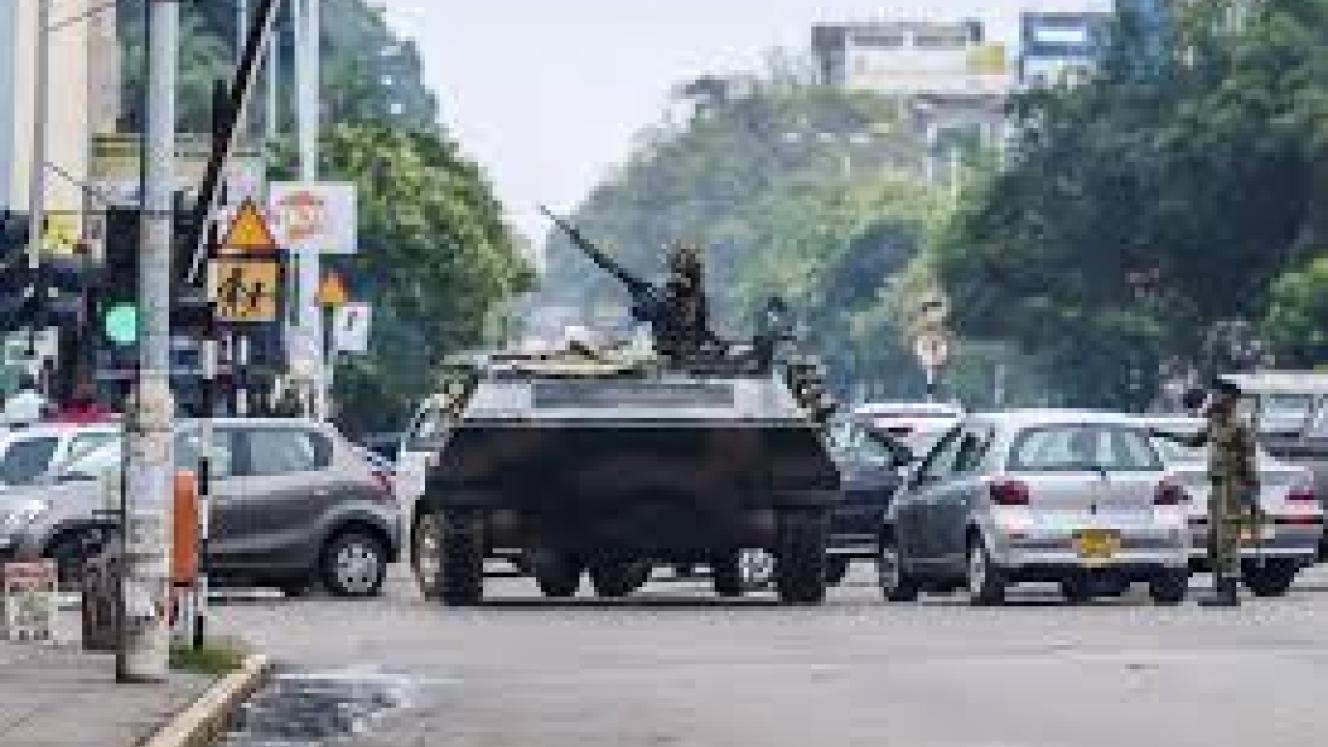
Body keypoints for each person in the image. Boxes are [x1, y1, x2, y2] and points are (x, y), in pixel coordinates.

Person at [1154, 378, 1259, 607]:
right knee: (1213, 541)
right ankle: (1219, 589)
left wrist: (1251, 494)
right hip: (1218, 487)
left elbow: (1250, 462)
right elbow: (1194, 441)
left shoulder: (1239, 426)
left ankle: (1229, 593)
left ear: (1231, 399)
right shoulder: (1214, 421)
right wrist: (1165, 435)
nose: (1215, 398)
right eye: (1215, 394)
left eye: (1220, 394)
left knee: (1227, 541)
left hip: (1234, 487)